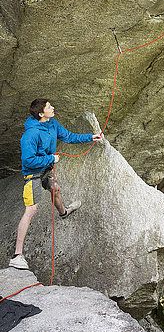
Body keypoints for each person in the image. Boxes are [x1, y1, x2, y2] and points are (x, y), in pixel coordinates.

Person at [9, 99, 103, 270]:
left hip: (46, 170)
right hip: (32, 174)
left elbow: (68, 136)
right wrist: (51, 158)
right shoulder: (30, 134)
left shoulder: (53, 124)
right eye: (49, 107)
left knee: (56, 189)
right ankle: (17, 255)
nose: (53, 108)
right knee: (31, 210)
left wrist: (91, 137)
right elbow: (28, 161)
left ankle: (63, 212)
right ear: (40, 113)